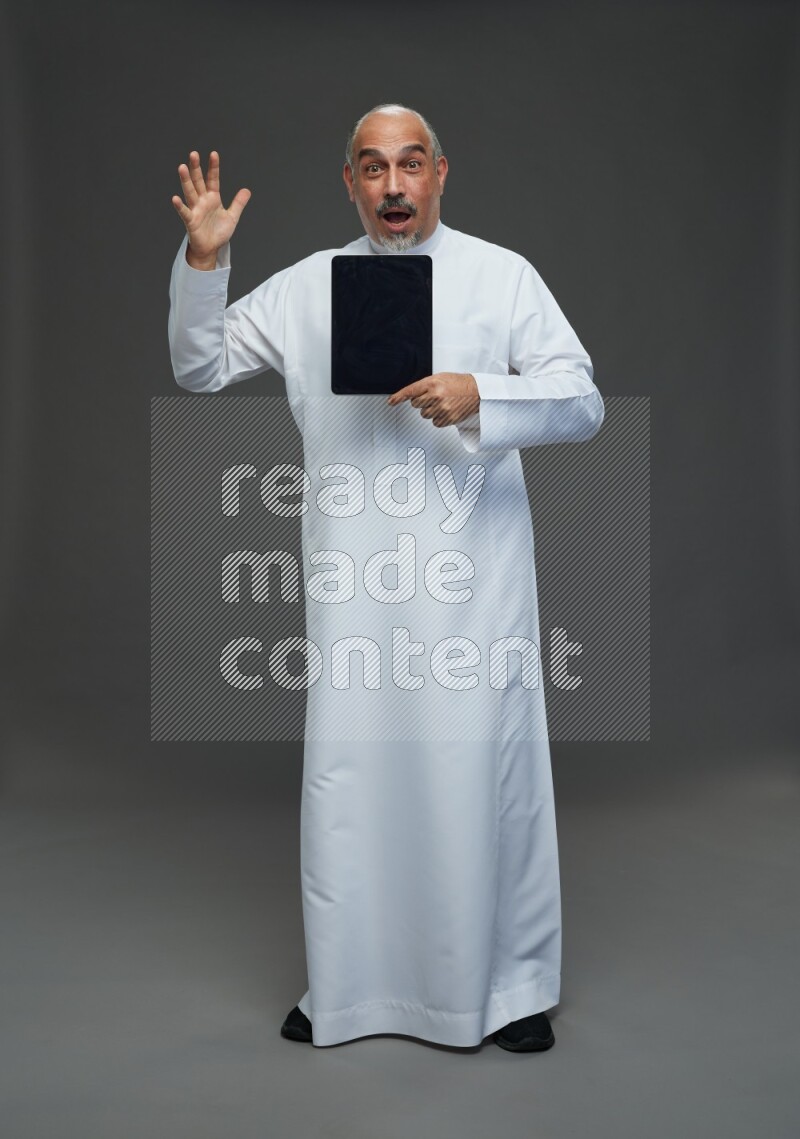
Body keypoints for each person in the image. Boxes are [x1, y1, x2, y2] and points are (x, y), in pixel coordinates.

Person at [167, 103, 605, 1052]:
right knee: (355, 778)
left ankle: (509, 988)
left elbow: (582, 398)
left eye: (411, 165)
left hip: (471, 586)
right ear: (351, 182)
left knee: (478, 772)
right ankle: (351, 986)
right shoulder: (304, 289)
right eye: (374, 168)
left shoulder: (501, 276)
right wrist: (205, 264)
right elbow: (200, 367)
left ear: (441, 173)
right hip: (355, 586)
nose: (394, 186)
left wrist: (485, 393)